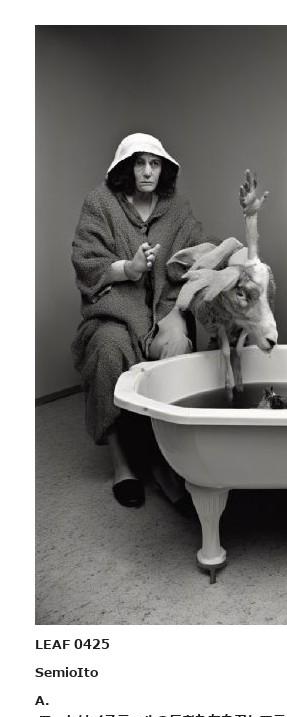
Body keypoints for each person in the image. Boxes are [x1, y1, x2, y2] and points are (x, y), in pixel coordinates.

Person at [71, 133, 205, 507]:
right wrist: (127, 269)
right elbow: (85, 259)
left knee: (177, 348)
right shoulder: (100, 203)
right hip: (113, 313)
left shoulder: (176, 208)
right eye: (140, 163)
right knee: (107, 350)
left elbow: (197, 247)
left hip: (165, 310)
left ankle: (167, 459)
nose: (147, 171)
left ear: (164, 170)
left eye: (155, 164)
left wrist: (229, 248)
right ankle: (123, 465)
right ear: (126, 167)